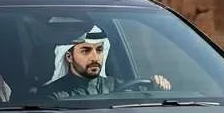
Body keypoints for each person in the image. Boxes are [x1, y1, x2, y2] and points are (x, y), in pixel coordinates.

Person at [40, 24, 170, 100]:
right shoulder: (54, 95)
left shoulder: (116, 85)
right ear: (69, 57)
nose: (95, 58)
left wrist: (158, 88)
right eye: (86, 51)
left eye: (99, 50)